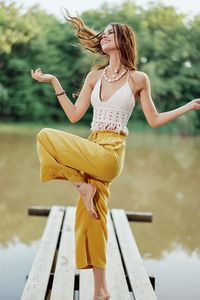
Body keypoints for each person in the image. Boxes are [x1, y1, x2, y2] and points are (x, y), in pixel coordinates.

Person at [31, 11, 200, 300]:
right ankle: (101, 290)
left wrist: (191, 105)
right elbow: (74, 116)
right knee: (92, 218)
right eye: (104, 33)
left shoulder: (138, 78)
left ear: (123, 40)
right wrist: (54, 81)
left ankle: (81, 186)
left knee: (45, 135)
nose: (104, 36)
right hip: (91, 145)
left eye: (110, 32)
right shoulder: (94, 76)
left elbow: (154, 119)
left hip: (111, 153)